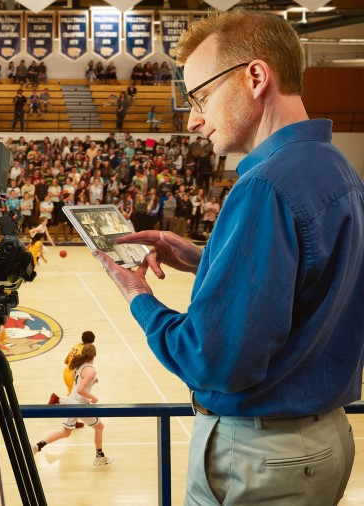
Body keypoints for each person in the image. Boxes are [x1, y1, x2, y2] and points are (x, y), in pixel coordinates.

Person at [94, 9, 363, 505]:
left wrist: (137, 295)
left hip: (263, 458)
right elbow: (309, 281)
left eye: (200, 96)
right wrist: (205, 259)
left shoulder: (265, 185)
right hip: (321, 440)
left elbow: (212, 361)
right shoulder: (335, 167)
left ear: (255, 77)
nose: (194, 118)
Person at [32, 344, 113, 466]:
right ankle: (99, 456)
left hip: (71, 401)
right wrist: (93, 397)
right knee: (99, 427)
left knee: (65, 433)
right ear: (94, 355)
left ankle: (38, 446)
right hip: (80, 405)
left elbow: (74, 377)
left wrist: (92, 379)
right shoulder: (91, 370)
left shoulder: (79, 365)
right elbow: (81, 389)